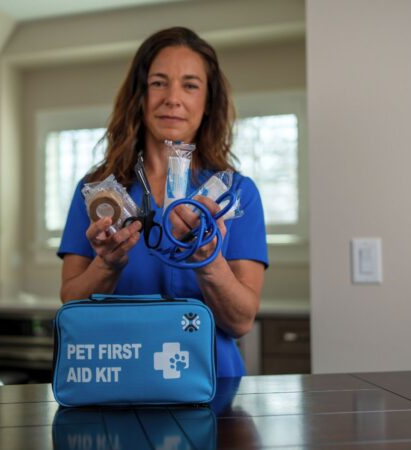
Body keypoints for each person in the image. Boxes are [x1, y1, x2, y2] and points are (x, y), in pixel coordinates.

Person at [57, 27, 268, 377]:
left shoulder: (235, 195)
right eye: (158, 82)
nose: (172, 98)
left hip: (211, 387)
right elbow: (71, 305)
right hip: (118, 381)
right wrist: (107, 265)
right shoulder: (98, 193)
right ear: (139, 96)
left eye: (190, 85)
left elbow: (241, 320)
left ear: (207, 102)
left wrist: (208, 260)